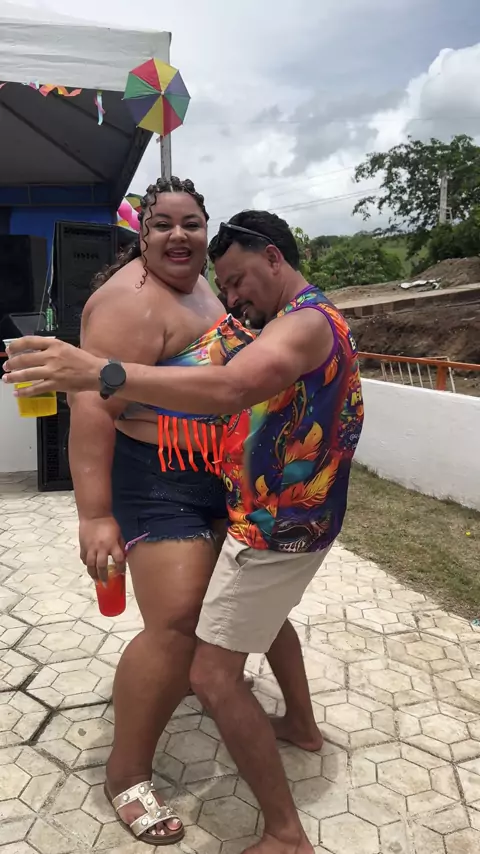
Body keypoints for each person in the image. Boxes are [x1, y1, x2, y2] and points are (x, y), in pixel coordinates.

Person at [4, 210, 364, 854]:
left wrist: (108, 370)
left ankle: (298, 727)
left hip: (244, 493)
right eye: (161, 224)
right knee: (178, 623)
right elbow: (92, 408)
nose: (179, 236)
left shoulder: (253, 304)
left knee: (245, 614)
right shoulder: (126, 303)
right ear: (140, 237)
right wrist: (95, 513)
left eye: (191, 223)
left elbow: (232, 386)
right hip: (162, 482)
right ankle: (126, 773)